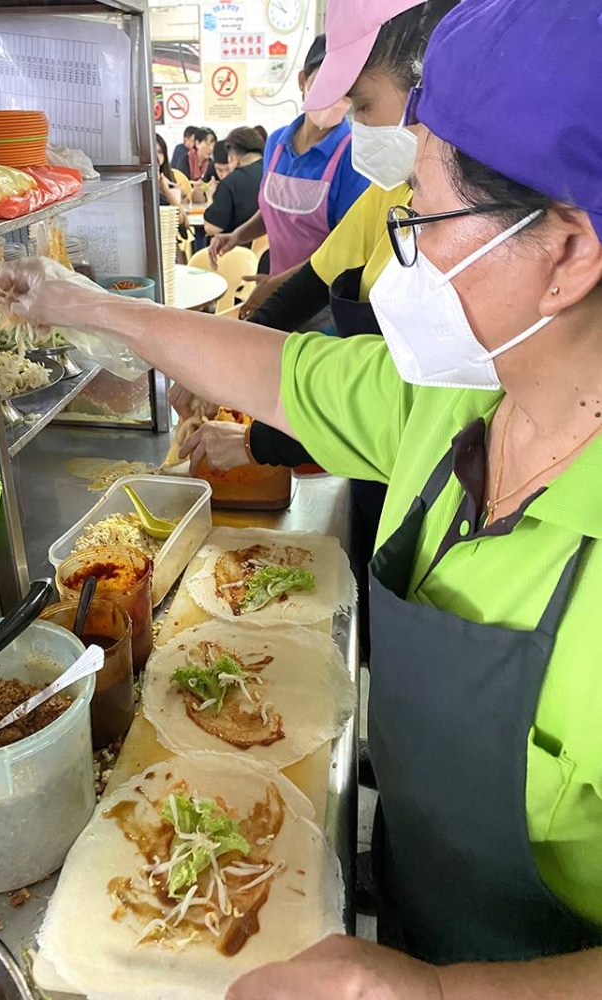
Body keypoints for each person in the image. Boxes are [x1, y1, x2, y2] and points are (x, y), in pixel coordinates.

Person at [0, 1, 602, 990]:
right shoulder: (455, 401)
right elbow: (272, 370)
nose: (398, 259)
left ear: (566, 253)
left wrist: (442, 991)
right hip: (413, 898)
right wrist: (80, 304)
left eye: (421, 218)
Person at [182, 0, 453, 663]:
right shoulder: (391, 193)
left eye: (363, 105)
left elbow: (401, 398)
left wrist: (260, 436)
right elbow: (307, 284)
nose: (356, 125)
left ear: (430, 88)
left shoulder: (461, 217)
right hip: (372, 462)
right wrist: (221, 365)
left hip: (427, 470)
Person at [208, 35, 369, 292]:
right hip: (278, 284)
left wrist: (279, 285)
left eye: (345, 88)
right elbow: (275, 210)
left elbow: (342, 248)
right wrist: (237, 235)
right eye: (325, 83)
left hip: (323, 295)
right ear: (302, 80)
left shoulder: (352, 155)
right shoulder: (276, 143)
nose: (334, 96)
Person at [204, 127, 265, 242]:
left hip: (238, 249)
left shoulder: (231, 182)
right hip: (274, 248)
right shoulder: (275, 173)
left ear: (233, 158)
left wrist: (210, 197)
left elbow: (212, 228)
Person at [173, 126, 217, 191]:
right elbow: (181, 185)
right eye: (207, 144)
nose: (211, 148)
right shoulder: (185, 161)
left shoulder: (211, 164)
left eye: (213, 145)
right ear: (197, 143)